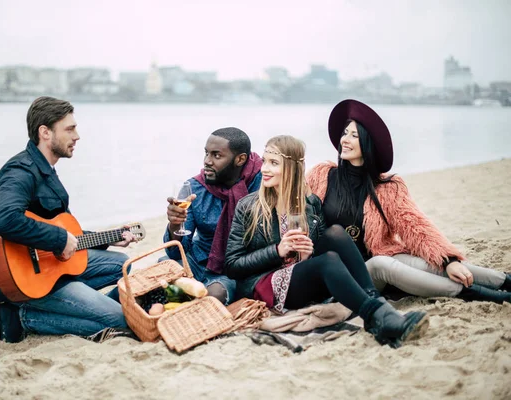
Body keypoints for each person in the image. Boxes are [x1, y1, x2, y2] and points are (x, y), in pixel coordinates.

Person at [225, 135, 429, 348]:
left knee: (336, 233)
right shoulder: (248, 206)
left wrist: (307, 254)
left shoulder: (310, 204)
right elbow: (232, 265)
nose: (264, 169)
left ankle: (378, 308)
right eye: (265, 161)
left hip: (301, 280)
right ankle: (376, 315)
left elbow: (315, 255)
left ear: (293, 168)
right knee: (329, 260)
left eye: (274, 163)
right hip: (265, 285)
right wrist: (278, 250)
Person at [306, 99, 511, 304]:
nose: (345, 140)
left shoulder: (387, 187)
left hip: (379, 254)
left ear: (367, 142)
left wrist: (448, 261)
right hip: (346, 273)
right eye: (345, 133)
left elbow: (414, 225)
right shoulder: (322, 175)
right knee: (381, 264)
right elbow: (295, 209)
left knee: (424, 264)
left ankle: (504, 281)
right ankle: (476, 294)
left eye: (354, 135)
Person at [0, 96, 138, 343]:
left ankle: (75, 308)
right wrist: (57, 239)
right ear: (45, 132)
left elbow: (64, 233)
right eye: (70, 129)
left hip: (53, 269)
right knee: (123, 319)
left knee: (125, 266)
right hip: (25, 279)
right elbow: (3, 219)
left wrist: (107, 238)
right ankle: (25, 317)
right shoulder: (20, 171)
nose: (77, 136)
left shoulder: (45, 170)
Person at [163, 127, 262, 305]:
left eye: (217, 155)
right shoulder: (194, 187)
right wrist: (175, 225)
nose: (207, 161)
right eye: (206, 153)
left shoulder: (261, 185)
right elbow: (175, 252)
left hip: (232, 271)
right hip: (196, 261)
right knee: (156, 281)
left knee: (212, 298)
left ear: (240, 159)